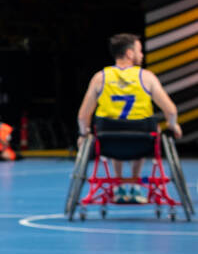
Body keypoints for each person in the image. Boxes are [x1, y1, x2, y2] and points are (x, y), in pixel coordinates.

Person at [76, 33, 182, 202]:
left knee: (115, 129)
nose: (142, 55)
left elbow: (83, 116)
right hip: (142, 143)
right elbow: (171, 111)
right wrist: (173, 125)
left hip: (108, 144)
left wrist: (83, 135)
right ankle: (136, 186)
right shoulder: (147, 77)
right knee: (148, 128)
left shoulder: (100, 78)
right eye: (139, 51)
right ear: (130, 53)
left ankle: (118, 187)